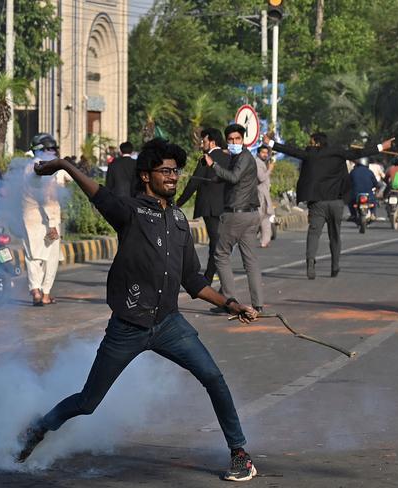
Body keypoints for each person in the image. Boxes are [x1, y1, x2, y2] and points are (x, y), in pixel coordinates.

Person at [16, 138, 260, 482]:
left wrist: (231, 304)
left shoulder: (178, 220)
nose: (173, 176)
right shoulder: (129, 212)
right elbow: (98, 194)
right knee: (87, 402)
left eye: (176, 170)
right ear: (147, 176)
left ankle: (239, 453)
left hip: (169, 324)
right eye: (166, 170)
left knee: (213, 378)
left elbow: (192, 279)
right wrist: (65, 166)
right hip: (127, 327)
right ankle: (37, 430)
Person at [263, 132, 394, 279]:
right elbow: (359, 152)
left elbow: (291, 150)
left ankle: (310, 263)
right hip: (336, 202)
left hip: (317, 203)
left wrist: (271, 143)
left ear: (316, 142)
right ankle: (335, 266)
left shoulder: (310, 154)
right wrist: (382, 146)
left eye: (311, 142)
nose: (310, 144)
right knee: (335, 235)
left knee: (313, 234)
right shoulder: (338, 153)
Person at [206, 124, 263, 311]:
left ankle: (230, 302)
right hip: (251, 215)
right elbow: (234, 179)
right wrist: (217, 177)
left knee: (221, 255)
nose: (234, 142)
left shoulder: (244, 157)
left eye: (237, 139)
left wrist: (213, 165)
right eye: (230, 139)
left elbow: (234, 177)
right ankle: (258, 305)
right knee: (251, 262)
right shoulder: (239, 157)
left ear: (243, 139)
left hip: (236, 215)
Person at [176, 128, 226, 284]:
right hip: (225, 206)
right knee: (219, 241)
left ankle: (208, 278)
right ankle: (212, 275)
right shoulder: (228, 158)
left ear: (212, 142)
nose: (202, 144)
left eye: (203, 141)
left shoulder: (206, 158)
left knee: (215, 243)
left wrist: (178, 203)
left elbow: (193, 183)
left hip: (209, 207)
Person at [22, 133, 64, 306]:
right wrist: (53, 224)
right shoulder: (47, 170)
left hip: (28, 218)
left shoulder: (27, 168)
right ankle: (45, 293)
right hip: (47, 219)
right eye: (51, 149)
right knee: (51, 257)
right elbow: (49, 197)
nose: (53, 152)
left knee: (32, 256)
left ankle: (35, 290)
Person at [255, 145, 275, 248]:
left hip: (264, 193)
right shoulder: (257, 163)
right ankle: (262, 239)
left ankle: (265, 240)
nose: (265, 155)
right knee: (259, 217)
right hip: (260, 193)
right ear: (258, 153)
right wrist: (270, 169)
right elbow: (261, 177)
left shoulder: (263, 162)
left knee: (265, 218)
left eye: (266, 153)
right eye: (263, 152)